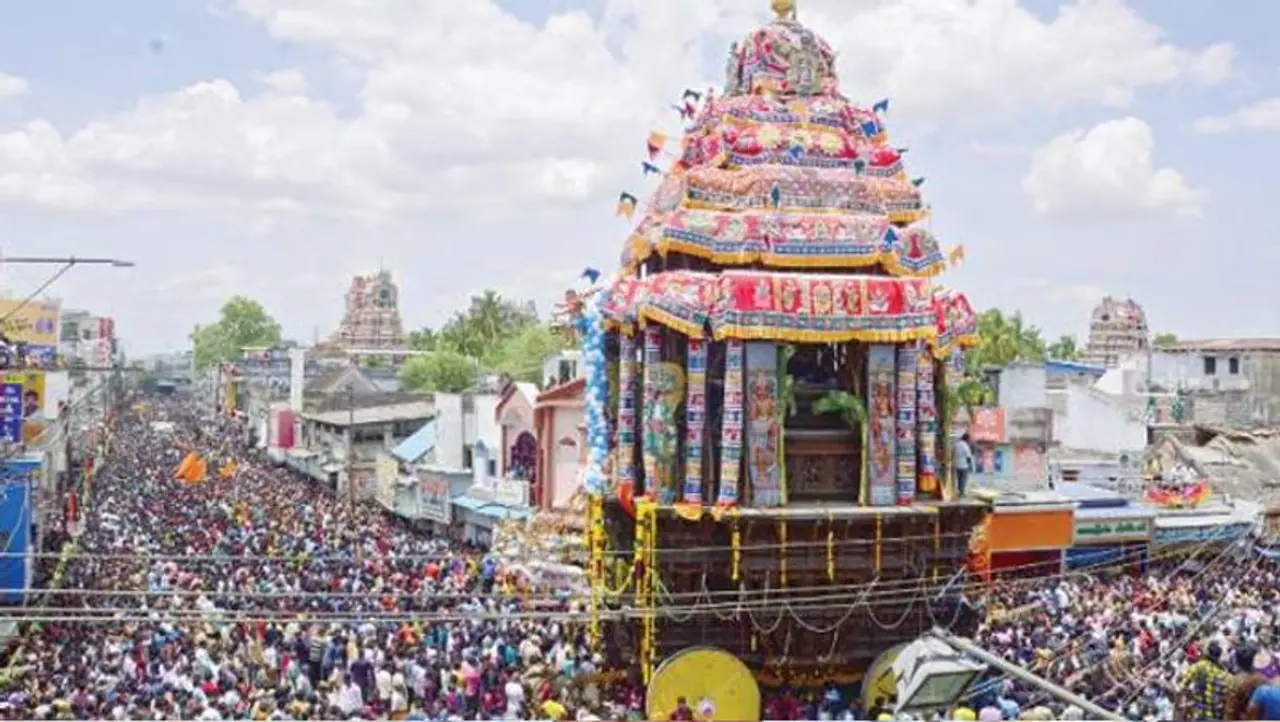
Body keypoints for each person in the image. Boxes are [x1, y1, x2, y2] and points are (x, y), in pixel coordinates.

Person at [1180, 641, 1230, 720]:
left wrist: (1190, 697)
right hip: (1215, 715)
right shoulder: (1222, 674)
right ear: (1218, 657)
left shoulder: (1197, 666)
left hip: (1199, 714)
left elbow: (1182, 687)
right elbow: (1225, 697)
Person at [954, 433, 974, 497]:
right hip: (964, 465)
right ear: (967, 439)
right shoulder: (965, 446)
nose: (969, 441)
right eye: (969, 439)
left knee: (959, 479)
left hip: (957, 464)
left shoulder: (956, 444)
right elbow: (968, 456)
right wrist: (970, 465)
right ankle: (961, 493)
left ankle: (959, 491)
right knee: (963, 480)